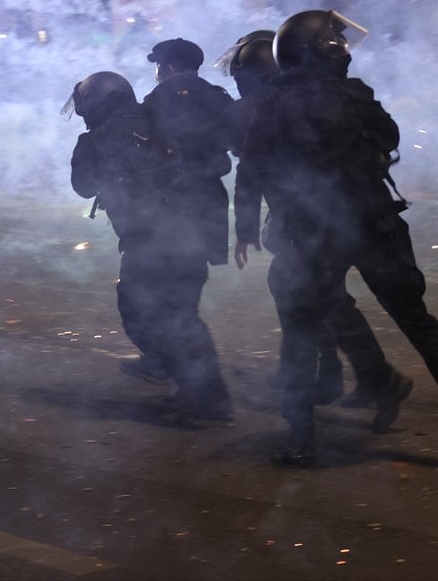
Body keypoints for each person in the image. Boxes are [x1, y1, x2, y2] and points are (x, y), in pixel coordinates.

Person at [247, 9, 438, 467]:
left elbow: (254, 168)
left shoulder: (272, 104)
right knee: (418, 323)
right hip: (373, 223)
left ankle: (301, 437)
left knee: (301, 332)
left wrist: (249, 225)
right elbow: (390, 136)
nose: (343, 51)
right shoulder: (354, 94)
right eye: (335, 45)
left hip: (314, 235)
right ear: (316, 54)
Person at [219, 29, 384, 408]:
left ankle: (352, 380)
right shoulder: (316, 96)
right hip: (341, 216)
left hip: (303, 221)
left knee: (308, 295)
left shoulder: (260, 108)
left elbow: (248, 170)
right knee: (322, 296)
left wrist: (245, 229)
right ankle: (333, 377)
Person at [66, 71, 232, 421]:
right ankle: (199, 392)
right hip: (192, 232)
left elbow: (83, 187)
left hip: (149, 241)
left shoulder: (97, 139)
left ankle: (203, 399)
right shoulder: (162, 120)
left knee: (144, 312)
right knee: (183, 316)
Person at [119, 38, 233, 393]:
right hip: (208, 207)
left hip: (171, 212)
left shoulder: (159, 99)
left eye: (158, 66)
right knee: (184, 300)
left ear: (167, 68)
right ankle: (172, 370)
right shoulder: (218, 96)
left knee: (161, 304)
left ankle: (204, 394)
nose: (156, 73)